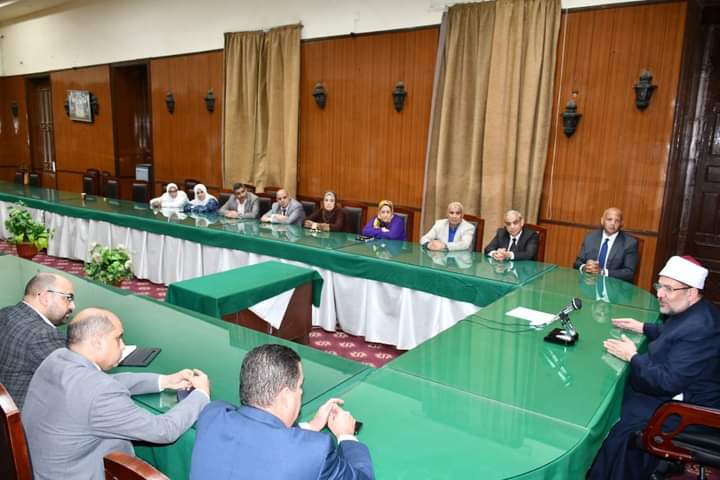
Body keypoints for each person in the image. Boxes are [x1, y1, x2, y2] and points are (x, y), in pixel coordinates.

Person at [23, 308, 210, 480]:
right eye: (118, 338)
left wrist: (165, 381)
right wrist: (200, 394)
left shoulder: (56, 358)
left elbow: (107, 382)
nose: (123, 346)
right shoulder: (100, 393)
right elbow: (163, 431)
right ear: (97, 342)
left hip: (46, 470)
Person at [588, 256, 720, 479]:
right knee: (611, 395)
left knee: (613, 419)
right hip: (679, 393)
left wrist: (632, 356)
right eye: (660, 286)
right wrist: (643, 327)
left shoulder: (701, 328)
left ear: (691, 292)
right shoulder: (695, 310)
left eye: (669, 289)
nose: (660, 294)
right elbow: (675, 335)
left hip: (690, 410)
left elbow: (666, 382)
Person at [190, 344, 374, 480]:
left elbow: (260, 437)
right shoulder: (316, 451)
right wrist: (346, 436)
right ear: (286, 395)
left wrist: (311, 427)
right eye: (300, 386)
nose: (301, 392)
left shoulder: (212, 414)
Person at [0, 273, 75, 409]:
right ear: (46, 297)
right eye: (68, 298)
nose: (72, 306)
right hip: (23, 415)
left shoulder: (5, 313)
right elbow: (76, 381)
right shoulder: (43, 335)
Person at [574, 207, 638, 282]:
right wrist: (585, 267)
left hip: (614, 285)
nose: (613, 223)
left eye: (617, 221)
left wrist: (603, 272)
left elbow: (629, 273)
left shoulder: (629, 243)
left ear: (621, 223)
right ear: (602, 221)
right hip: (590, 282)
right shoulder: (590, 237)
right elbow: (577, 263)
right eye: (609, 219)